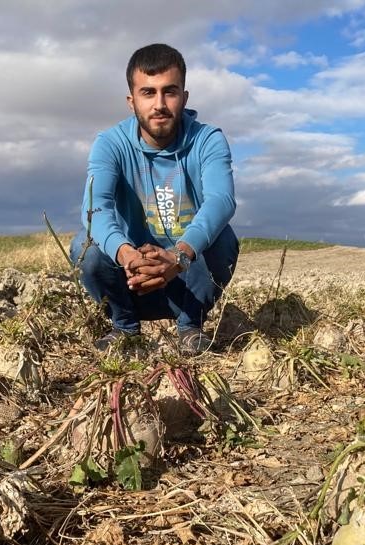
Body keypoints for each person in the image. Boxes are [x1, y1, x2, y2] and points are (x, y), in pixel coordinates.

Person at [71, 43, 239, 355]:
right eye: (148, 92)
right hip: (132, 280)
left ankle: (190, 326)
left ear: (184, 98)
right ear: (131, 101)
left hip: (187, 280)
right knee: (85, 246)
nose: (159, 104)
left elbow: (222, 200)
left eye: (169, 92)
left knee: (224, 239)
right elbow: (95, 208)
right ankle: (124, 327)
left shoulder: (208, 139)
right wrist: (127, 256)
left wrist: (180, 256)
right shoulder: (110, 143)